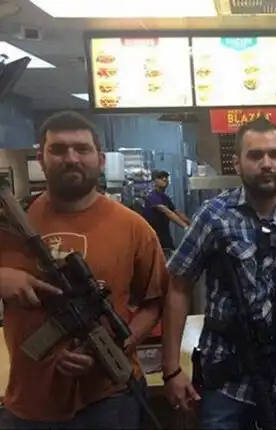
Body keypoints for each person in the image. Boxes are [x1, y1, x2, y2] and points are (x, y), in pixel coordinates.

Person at [0, 111, 169, 429]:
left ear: (100, 159)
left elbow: (154, 303)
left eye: (82, 149)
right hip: (28, 400)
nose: (71, 158)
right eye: (58, 149)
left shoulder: (133, 227)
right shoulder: (11, 223)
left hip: (107, 398)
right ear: (41, 159)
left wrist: (111, 345)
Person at [161, 117, 276, 429]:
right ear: (237, 163)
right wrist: (171, 368)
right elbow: (179, 287)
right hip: (227, 379)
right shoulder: (213, 216)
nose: (266, 163)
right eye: (255, 155)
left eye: (274, 154)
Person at [143, 170, 190, 253]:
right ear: (154, 181)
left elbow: (176, 212)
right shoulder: (152, 196)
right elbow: (166, 211)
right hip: (154, 236)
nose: (164, 179)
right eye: (160, 177)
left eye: (166, 177)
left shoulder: (164, 197)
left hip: (165, 234)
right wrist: (185, 226)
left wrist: (191, 224)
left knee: (170, 254)